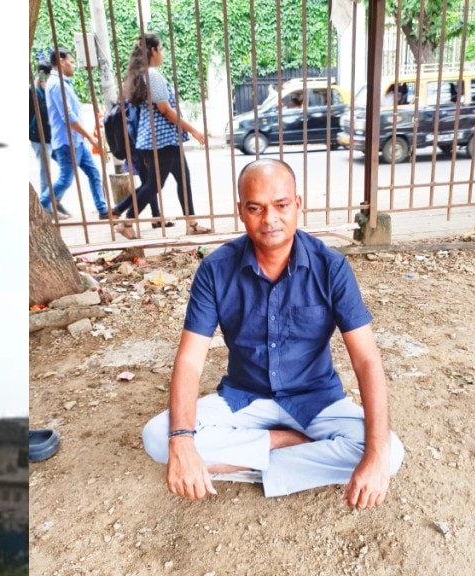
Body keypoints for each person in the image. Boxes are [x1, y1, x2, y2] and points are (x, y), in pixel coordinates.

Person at [141, 158, 405, 507]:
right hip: (243, 399)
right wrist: (181, 441)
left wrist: (375, 456)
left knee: (389, 453)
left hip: (316, 400)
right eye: (256, 208)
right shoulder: (216, 270)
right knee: (159, 438)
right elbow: (190, 360)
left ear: (297, 205)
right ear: (241, 211)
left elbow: (367, 360)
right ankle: (284, 444)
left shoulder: (332, 268)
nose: (270, 219)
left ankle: (241, 465)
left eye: (281, 205)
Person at [111, 33, 208, 240]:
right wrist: (193, 130)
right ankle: (126, 221)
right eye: (161, 49)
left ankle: (192, 224)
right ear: (153, 51)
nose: (162, 53)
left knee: (183, 178)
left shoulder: (143, 75)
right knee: (154, 186)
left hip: (164, 139)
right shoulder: (152, 75)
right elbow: (165, 109)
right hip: (161, 140)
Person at [43, 48, 110, 219]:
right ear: (61, 61)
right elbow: (69, 117)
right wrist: (90, 138)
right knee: (65, 180)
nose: (73, 65)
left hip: (75, 140)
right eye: (71, 62)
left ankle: (103, 210)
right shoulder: (56, 85)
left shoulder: (62, 83)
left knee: (93, 173)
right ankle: (39, 205)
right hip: (67, 142)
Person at [30, 61, 69, 220]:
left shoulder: (45, 90)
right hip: (40, 138)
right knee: (45, 173)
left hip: (51, 138)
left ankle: (54, 200)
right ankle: (47, 209)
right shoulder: (34, 92)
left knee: (67, 168)